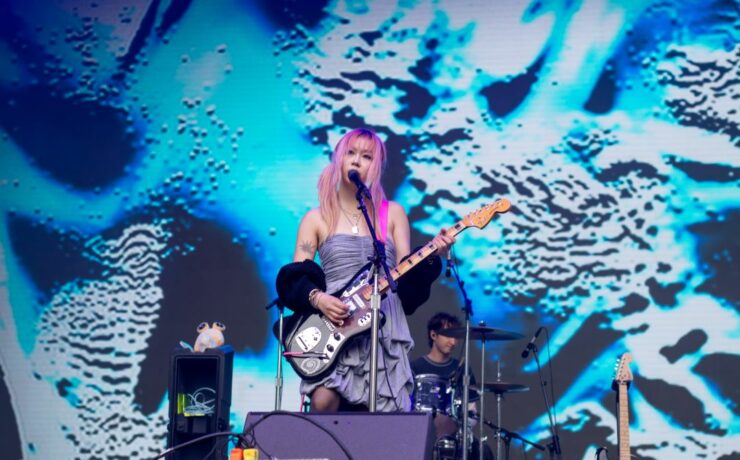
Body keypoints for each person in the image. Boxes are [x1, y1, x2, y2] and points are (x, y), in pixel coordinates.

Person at [276, 127, 455, 412]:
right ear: (339, 159)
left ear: (377, 166)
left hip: (384, 323)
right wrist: (319, 299)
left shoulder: (392, 213)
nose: (357, 161)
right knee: (324, 400)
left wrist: (433, 255)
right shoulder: (316, 218)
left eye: (367, 156)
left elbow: (407, 280)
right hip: (336, 321)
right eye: (351, 153)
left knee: (385, 418)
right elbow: (296, 276)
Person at [411, 312, 479, 438]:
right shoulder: (415, 367)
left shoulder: (463, 369)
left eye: (456, 337)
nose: (453, 342)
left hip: (452, 437)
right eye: (448, 335)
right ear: (433, 335)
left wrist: (460, 428)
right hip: (416, 433)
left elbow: (471, 410)